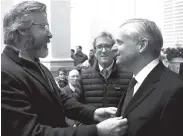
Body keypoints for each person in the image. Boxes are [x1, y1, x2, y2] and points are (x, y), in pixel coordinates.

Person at [1, 1, 128, 136]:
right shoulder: (5, 73)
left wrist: (94, 114)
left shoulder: (38, 66)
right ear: (22, 29)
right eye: (43, 26)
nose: (50, 34)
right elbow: (31, 132)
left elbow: (61, 101)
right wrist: (96, 131)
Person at [112, 18, 183, 136]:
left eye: (120, 42)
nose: (114, 48)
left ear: (142, 45)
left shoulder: (175, 89)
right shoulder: (135, 81)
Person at [81, 31, 132, 108]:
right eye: (99, 47)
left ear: (114, 50)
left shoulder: (128, 76)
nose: (104, 50)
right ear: (94, 52)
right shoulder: (84, 77)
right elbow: (80, 108)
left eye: (108, 46)